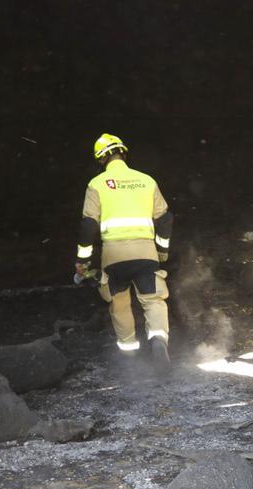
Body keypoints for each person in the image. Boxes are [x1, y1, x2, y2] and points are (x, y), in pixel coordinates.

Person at [75, 133, 173, 368]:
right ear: (124, 153)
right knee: (153, 300)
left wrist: (83, 260)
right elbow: (166, 219)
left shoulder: (97, 184)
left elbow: (88, 225)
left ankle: (129, 353)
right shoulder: (146, 180)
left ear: (100, 159)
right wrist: (161, 251)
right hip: (146, 253)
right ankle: (158, 338)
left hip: (114, 256)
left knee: (119, 303)